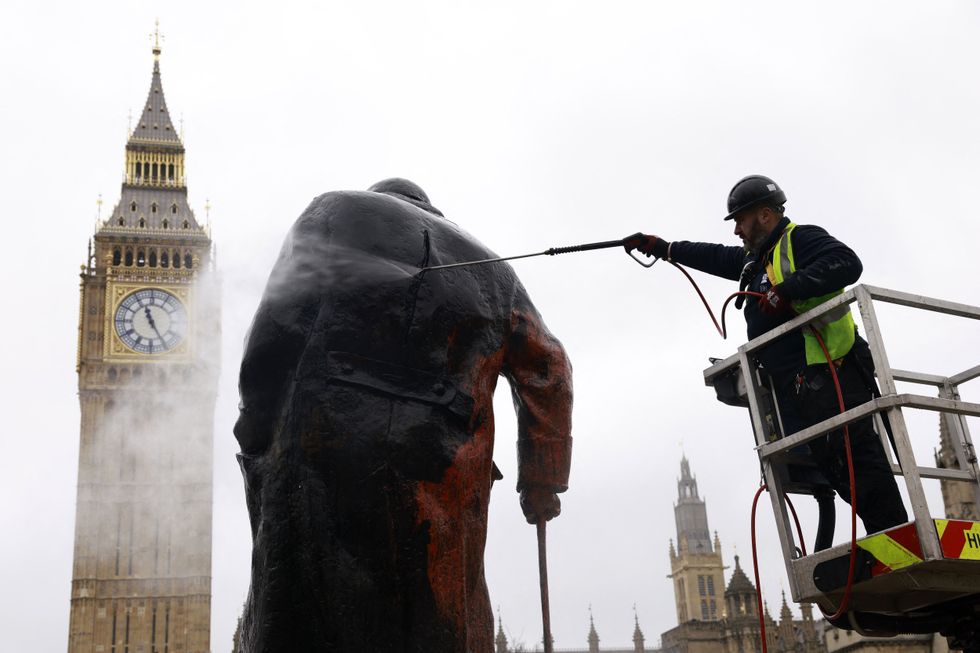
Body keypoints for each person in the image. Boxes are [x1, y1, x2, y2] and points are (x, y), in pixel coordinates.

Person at [234, 178, 573, 652]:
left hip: (324, 447)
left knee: (311, 608)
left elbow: (275, 330)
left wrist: (254, 430)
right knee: (442, 616)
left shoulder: (333, 210)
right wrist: (542, 479)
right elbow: (550, 369)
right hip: (447, 471)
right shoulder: (495, 271)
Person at [626, 175, 907, 541]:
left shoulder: (800, 239)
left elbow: (847, 262)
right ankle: (891, 543)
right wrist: (665, 248)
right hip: (802, 388)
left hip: (832, 374)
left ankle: (901, 544)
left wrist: (787, 291)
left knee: (861, 467)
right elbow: (715, 255)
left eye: (740, 221)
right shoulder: (756, 262)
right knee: (841, 472)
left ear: (764, 215)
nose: (737, 231)